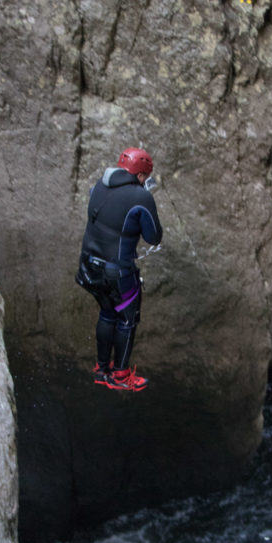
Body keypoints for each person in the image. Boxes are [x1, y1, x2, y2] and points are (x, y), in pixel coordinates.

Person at [76, 146, 163, 391]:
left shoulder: (99, 186)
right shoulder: (141, 197)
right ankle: (121, 375)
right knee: (127, 319)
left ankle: (102, 369)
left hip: (89, 266)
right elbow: (154, 236)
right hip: (117, 272)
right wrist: (145, 198)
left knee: (107, 313)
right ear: (141, 175)